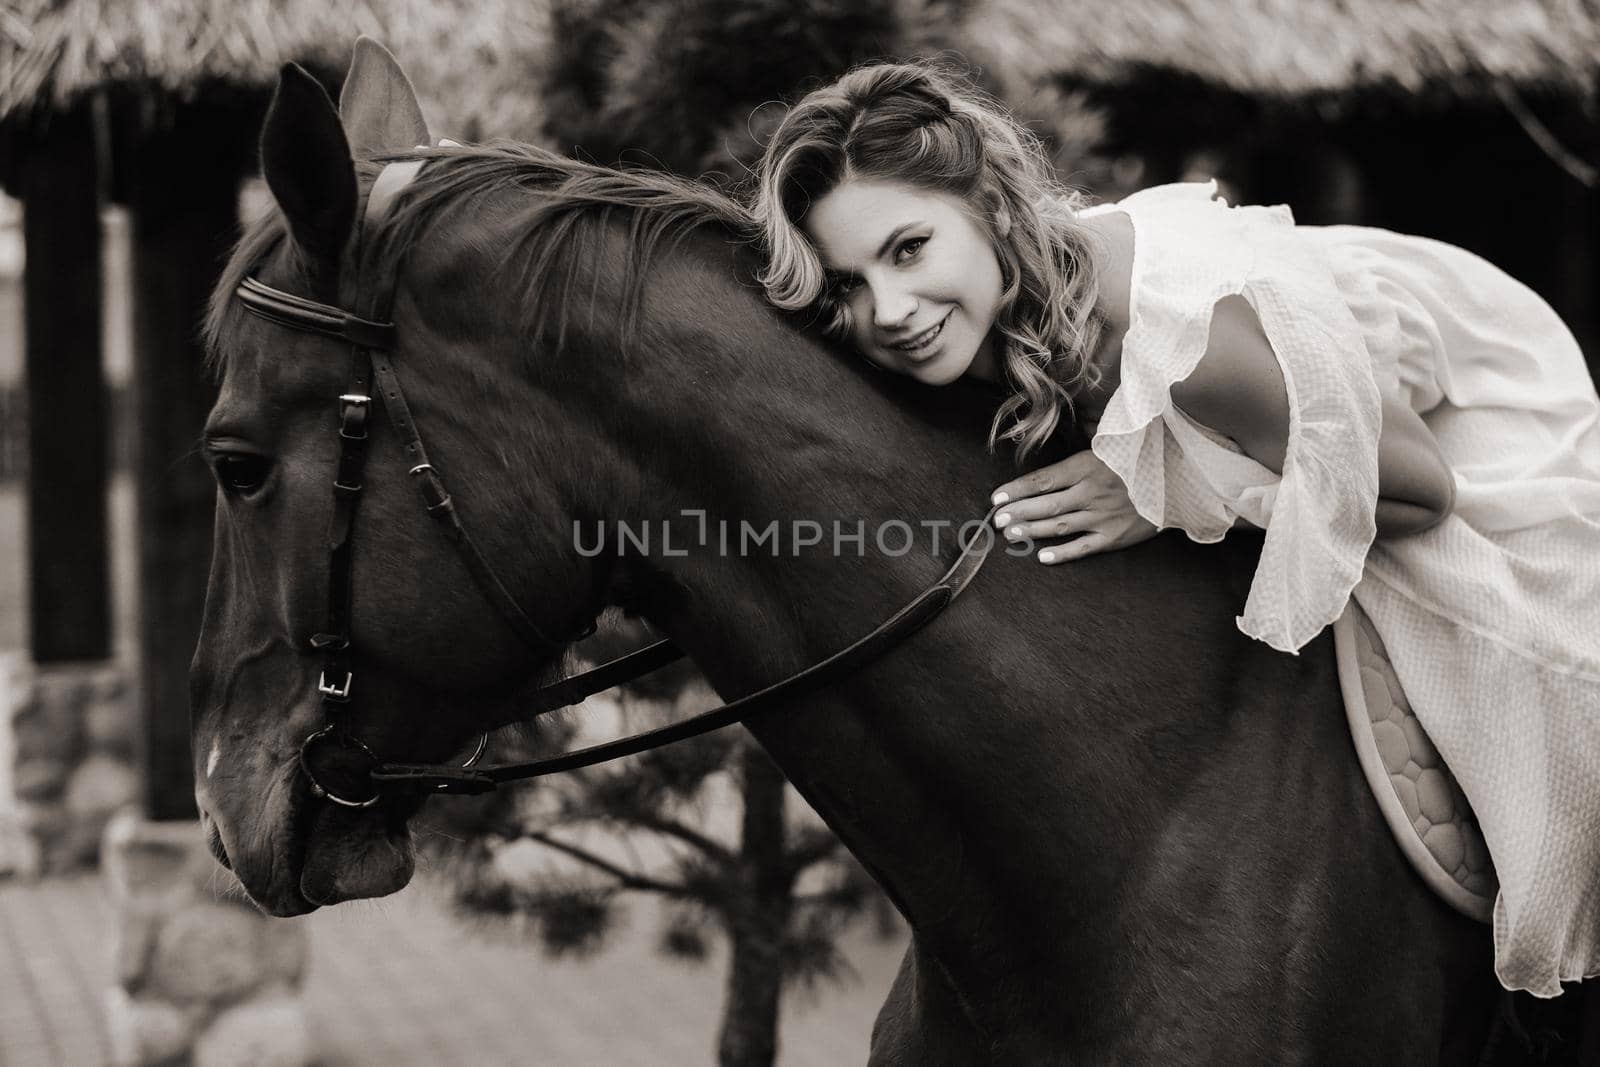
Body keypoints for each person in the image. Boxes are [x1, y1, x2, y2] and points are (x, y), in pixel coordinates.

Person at [749, 61, 1600, 998]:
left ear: (990, 206)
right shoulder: (980, 313)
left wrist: (1165, 493)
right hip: (1305, 403)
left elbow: (1417, 490)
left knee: (1540, 681)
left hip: (1462, 408)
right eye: (849, 285)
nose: (890, 310)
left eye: (908, 249)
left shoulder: (1184, 345)